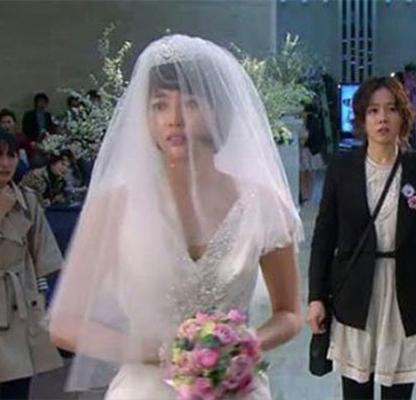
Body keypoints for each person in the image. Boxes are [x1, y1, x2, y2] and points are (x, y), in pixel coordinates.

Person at [48, 34, 303, 399]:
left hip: (234, 388)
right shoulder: (115, 205)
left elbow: (288, 313)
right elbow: (64, 323)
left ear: (218, 110)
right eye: (160, 105)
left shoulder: (262, 203)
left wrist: (241, 345)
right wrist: (163, 352)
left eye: (191, 103)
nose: (174, 119)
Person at [306, 77, 416, 400]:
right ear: (361, 118)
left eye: (391, 109)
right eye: (373, 111)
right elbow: (324, 238)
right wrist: (316, 297)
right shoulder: (342, 169)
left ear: (404, 115)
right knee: (355, 392)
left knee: (398, 393)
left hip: (407, 295)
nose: (382, 118)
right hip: (355, 294)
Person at [0, 129, 64, 399]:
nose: (5, 163)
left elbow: (42, 253)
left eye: (11, 155)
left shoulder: (26, 199)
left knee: (16, 388)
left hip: (18, 306)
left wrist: (40, 299)